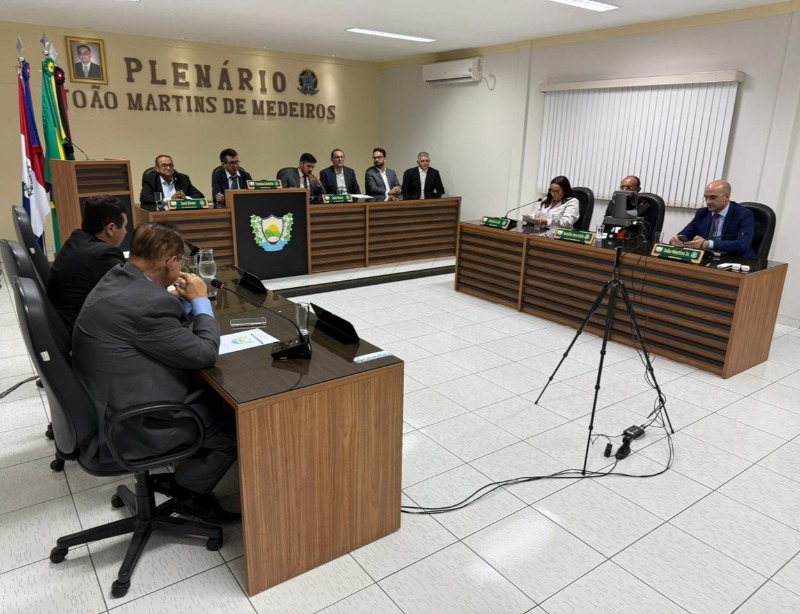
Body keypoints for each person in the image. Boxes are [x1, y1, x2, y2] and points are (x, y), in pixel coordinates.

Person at [72, 222, 238, 523]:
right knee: (231, 430)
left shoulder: (117, 276)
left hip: (102, 403)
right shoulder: (149, 305)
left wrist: (180, 306)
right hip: (129, 423)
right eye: (181, 262)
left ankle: (185, 475)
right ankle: (190, 492)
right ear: (171, 263)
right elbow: (204, 353)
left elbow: (148, 324)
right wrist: (201, 302)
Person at [47, 195, 127, 334]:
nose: (125, 231)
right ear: (111, 228)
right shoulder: (102, 255)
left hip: (66, 325)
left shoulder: (77, 239)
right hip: (86, 334)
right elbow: (136, 292)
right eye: (125, 226)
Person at [669, 179, 756, 257]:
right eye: (706, 197)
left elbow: (742, 245)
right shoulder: (702, 213)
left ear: (727, 197)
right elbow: (686, 234)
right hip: (708, 257)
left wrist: (709, 244)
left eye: (713, 198)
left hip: (737, 260)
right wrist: (678, 240)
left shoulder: (744, 215)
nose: (708, 202)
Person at [140, 154, 205, 209]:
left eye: (170, 165)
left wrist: (184, 198)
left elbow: (199, 195)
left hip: (180, 212)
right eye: (164, 166)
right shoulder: (151, 179)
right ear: (157, 169)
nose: (168, 168)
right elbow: (144, 198)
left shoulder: (183, 178)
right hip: (161, 213)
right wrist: (170, 199)